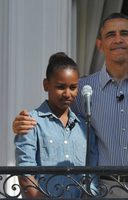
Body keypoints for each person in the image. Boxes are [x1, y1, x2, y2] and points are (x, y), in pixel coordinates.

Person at [13, 13, 128, 197]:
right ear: (99, 45)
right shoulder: (84, 88)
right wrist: (22, 122)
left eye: (124, 33)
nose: (118, 39)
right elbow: (53, 114)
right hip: (104, 188)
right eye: (110, 34)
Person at [14, 52, 98, 198]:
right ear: (46, 85)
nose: (67, 93)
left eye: (73, 87)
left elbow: (92, 175)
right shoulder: (31, 123)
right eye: (60, 87)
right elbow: (25, 173)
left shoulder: (84, 126)